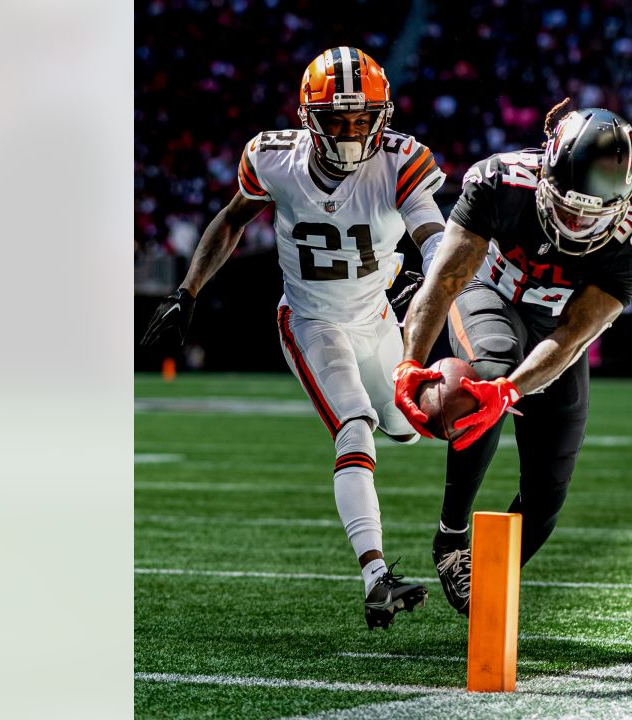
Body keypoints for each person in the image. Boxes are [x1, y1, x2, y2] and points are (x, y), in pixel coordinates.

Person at [141, 47, 447, 629]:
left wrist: (440, 276)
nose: (353, 131)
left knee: (410, 427)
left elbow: (432, 233)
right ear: (309, 116)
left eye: (363, 119)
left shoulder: (401, 160)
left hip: (378, 317)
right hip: (311, 320)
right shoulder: (274, 160)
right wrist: (188, 290)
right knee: (355, 426)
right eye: (337, 118)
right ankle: (375, 574)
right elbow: (233, 218)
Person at [392, 103, 632, 615]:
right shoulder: (499, 182)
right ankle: (452, 535)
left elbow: (572, 336)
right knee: (486, 376)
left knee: (547, 495)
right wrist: (410, 363)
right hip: (487, 293)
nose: (577, 221)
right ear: (546, 175)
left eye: (592, 212)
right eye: (569, 205)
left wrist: (512, 391)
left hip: (554, 330)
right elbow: (446, 279)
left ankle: (490, 577)